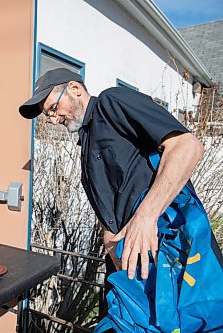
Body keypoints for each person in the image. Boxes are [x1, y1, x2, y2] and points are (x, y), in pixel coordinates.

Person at [19, 68, 222, 331]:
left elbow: (187, 146)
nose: (54, 118)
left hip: (168, 262)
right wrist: (109, 237)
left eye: (53, 108)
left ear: (75, 89)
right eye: (48, 115)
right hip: (131, 270)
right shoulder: (86, 141)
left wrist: (145, 218)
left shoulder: (111, 102)